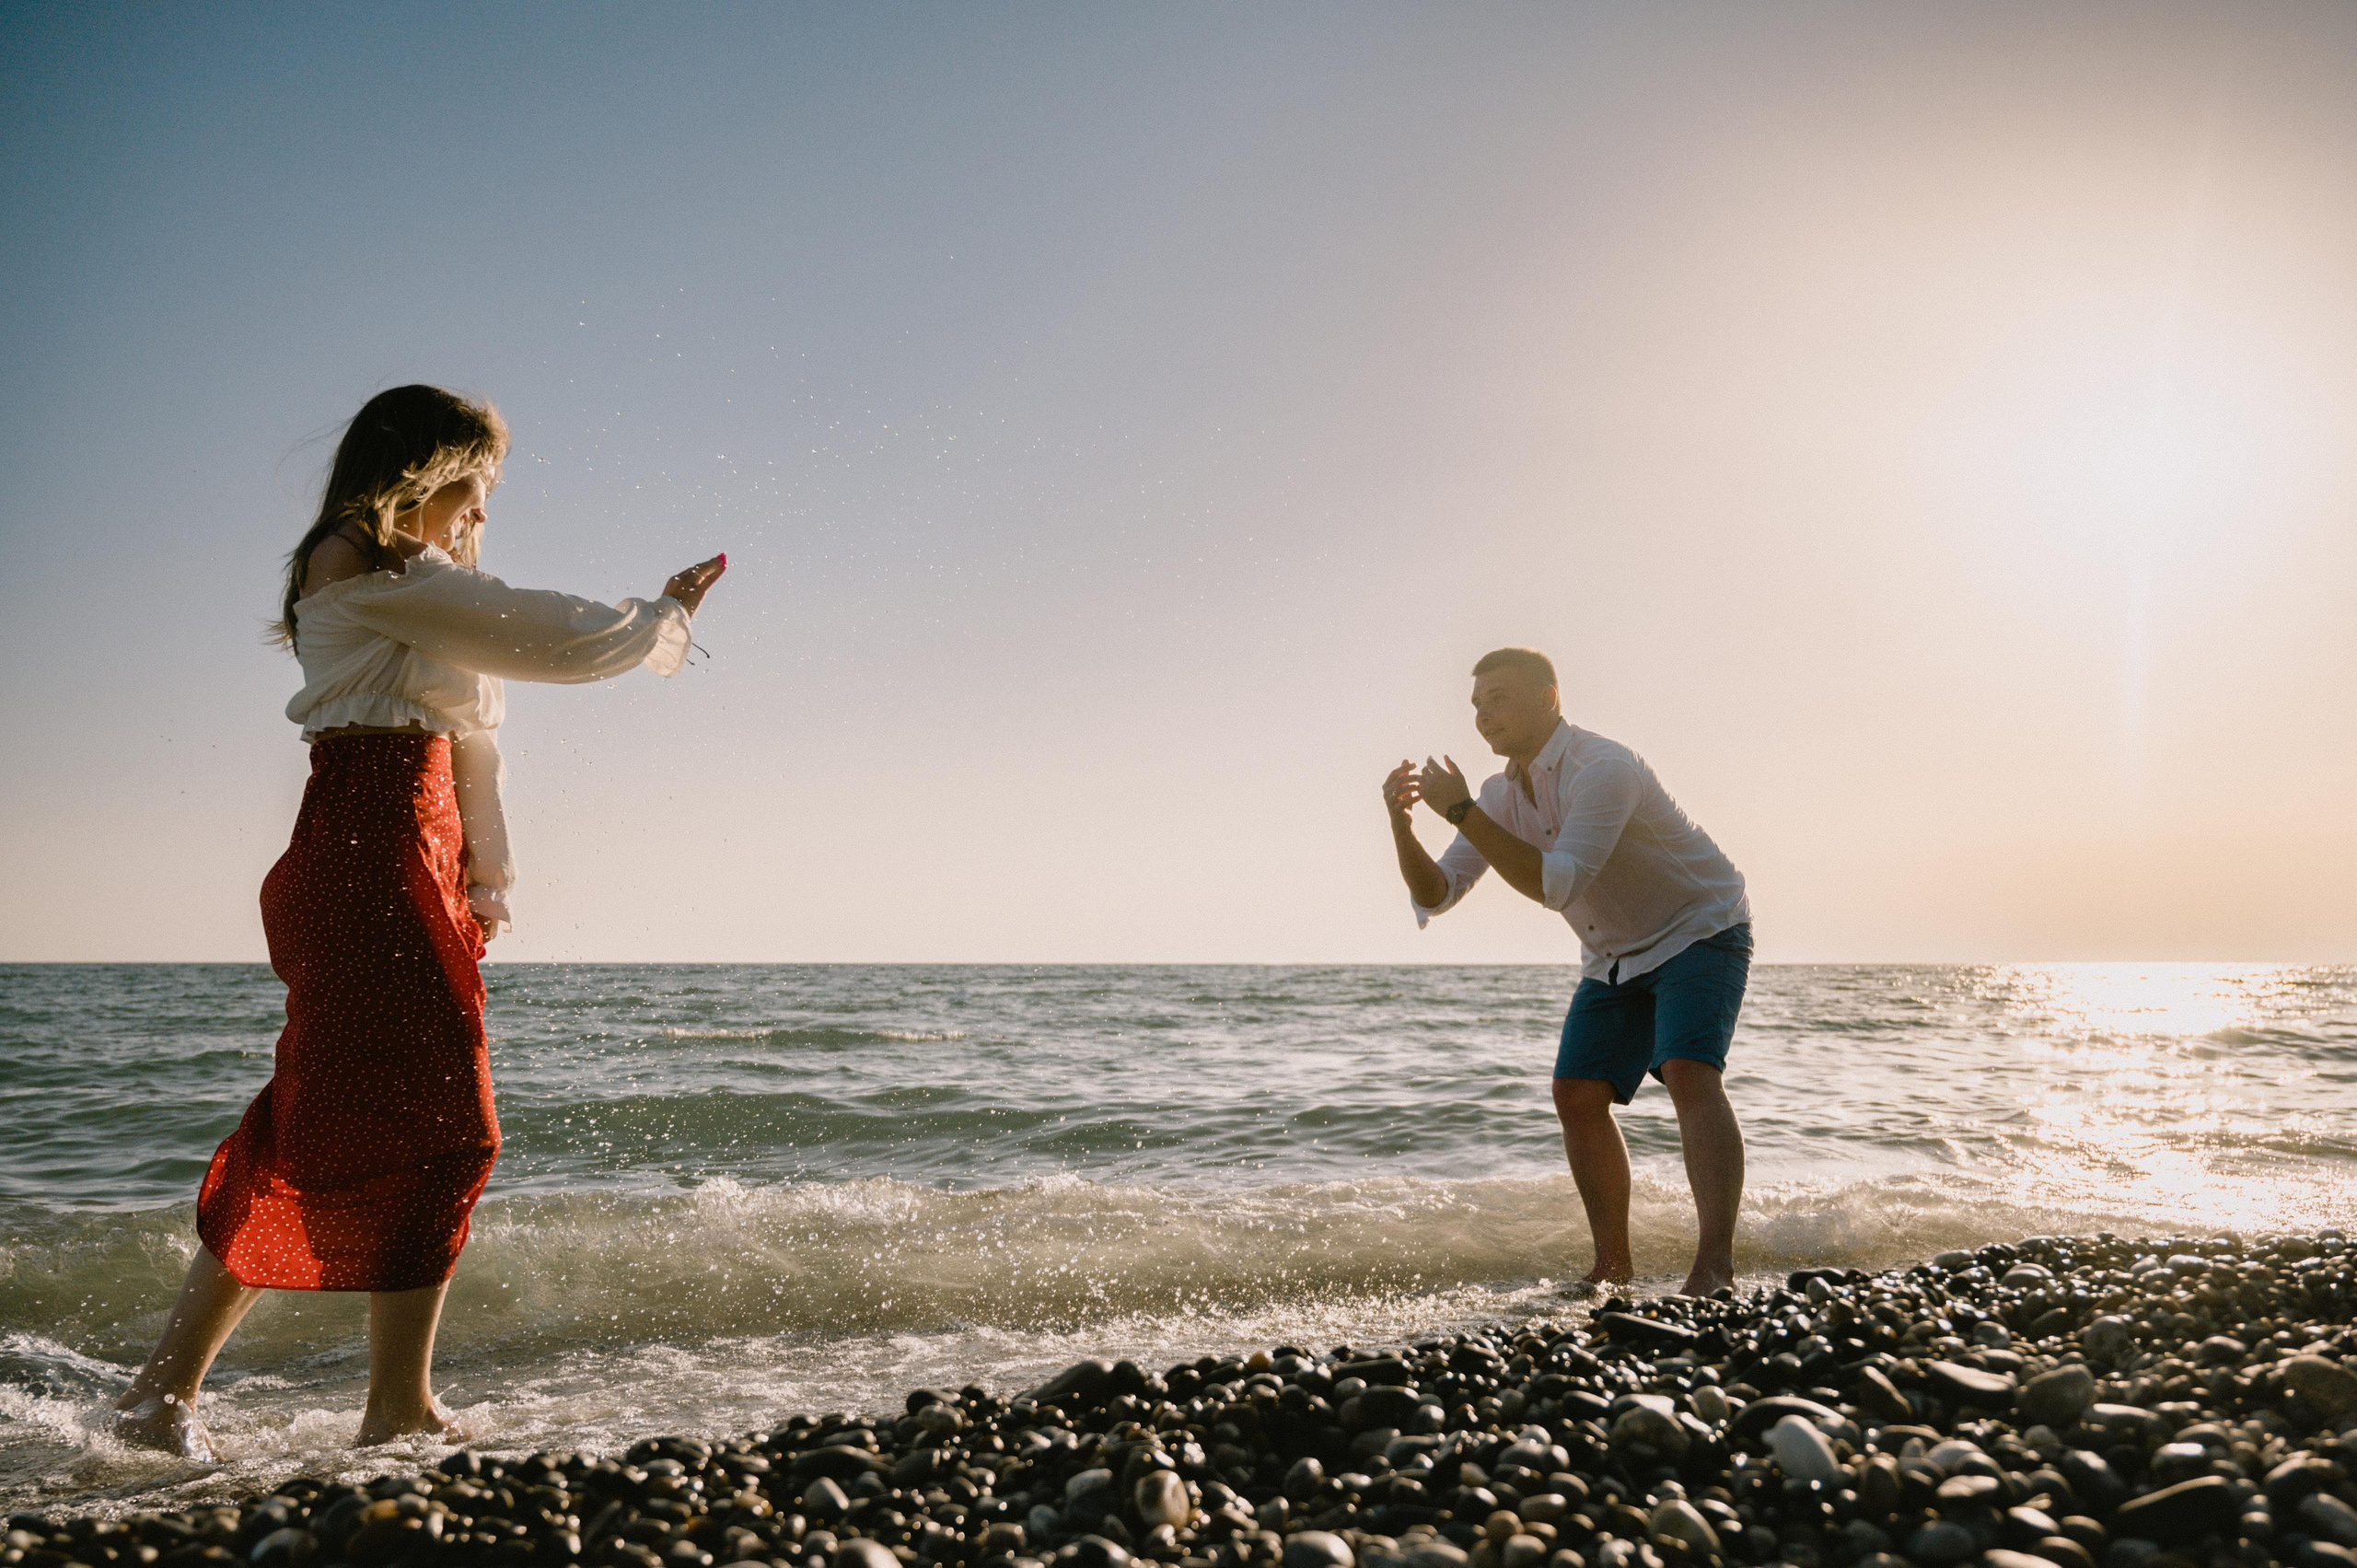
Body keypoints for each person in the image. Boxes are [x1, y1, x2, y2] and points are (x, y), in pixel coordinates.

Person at [110, 385, 728, 1458]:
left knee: (325, 1120)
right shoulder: (362, 563)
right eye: (480, 475)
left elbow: (472, 734)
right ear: (429, 463)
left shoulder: (414, 580)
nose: (488, 498)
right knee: (451, 1126)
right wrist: (660, 616)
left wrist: (486, 877)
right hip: (368, 849)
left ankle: (174, 1396)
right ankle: (379, 1405)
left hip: (405, 856)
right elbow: (546, 637)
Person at [1383, 647, 1752, 1296]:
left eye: (1499, 697)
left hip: (1701, 924)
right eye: (1476, 703)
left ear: (1549, 697)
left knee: (1690, 1073)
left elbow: (1557, 884)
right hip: (1613, 955)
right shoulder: (1498, 793)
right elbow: (1437, 893)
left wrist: (1464, 811)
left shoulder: (1601, 767)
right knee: (1577, 1095)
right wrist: (1402, 822)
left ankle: (1714, 1266)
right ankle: (1613, 1265)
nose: (1484, 714)